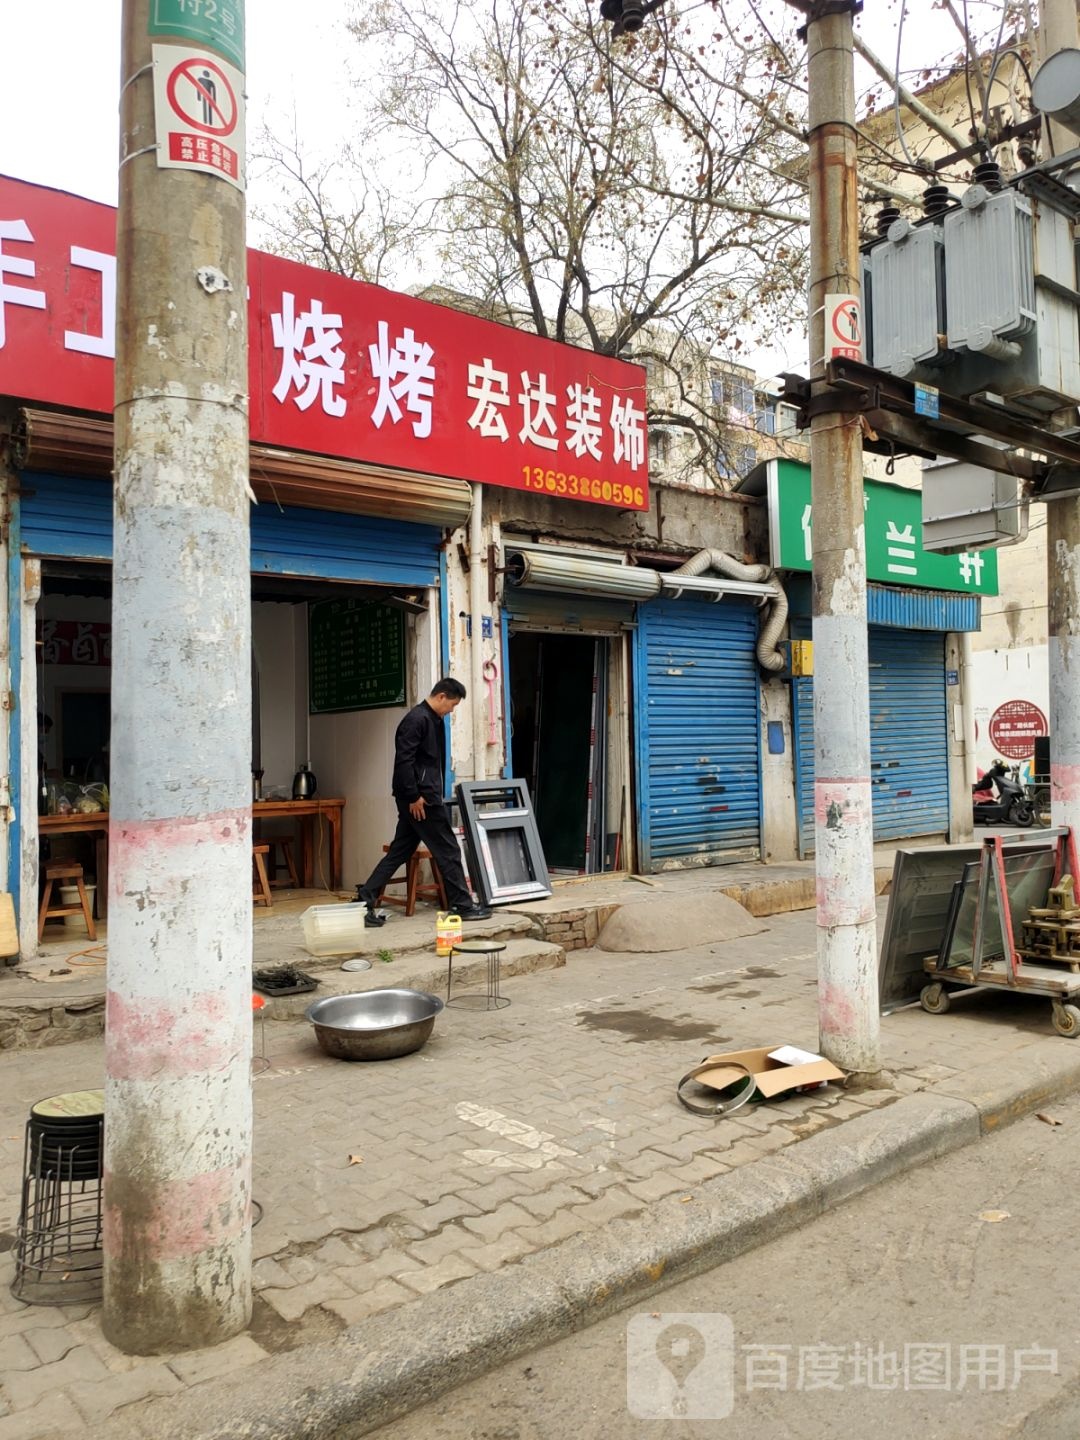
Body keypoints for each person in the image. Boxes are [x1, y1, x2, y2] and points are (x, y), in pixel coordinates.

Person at [354, 678, 491, 924]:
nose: (452, 710)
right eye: (452, 704)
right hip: (421, 800)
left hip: (421, 797)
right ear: (441, 696)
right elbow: (403, 762)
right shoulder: (417, 720)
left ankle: (364, 899)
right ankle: (461, 905)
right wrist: (413, 796)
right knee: (448, 849)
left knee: (399, 851)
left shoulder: (432, 720)